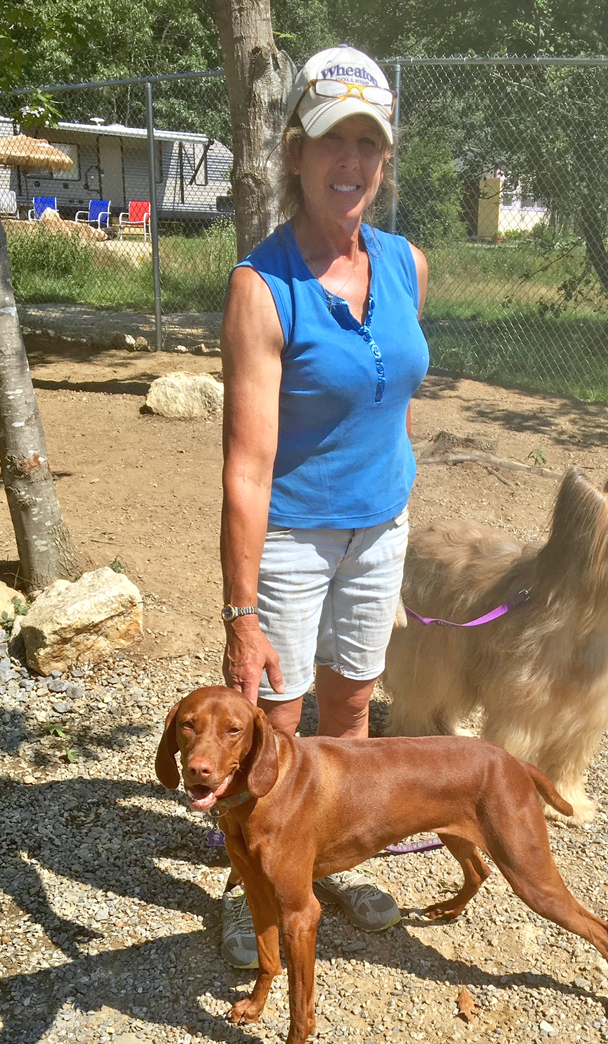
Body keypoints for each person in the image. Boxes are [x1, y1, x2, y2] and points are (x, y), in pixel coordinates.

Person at [218, 45, 429, 968]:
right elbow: (245, 469)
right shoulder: (261, 287)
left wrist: (388, 505)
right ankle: (250, 885)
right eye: (330, 142)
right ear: (294, 154)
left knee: (351, 713)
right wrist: (241, 611)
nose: (350, 163)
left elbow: (393, 399)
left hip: (381, 529)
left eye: (367, 144)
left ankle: (330, 860)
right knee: (272, 733)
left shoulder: (407, 262)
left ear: (384, 160)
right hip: (294, 539)